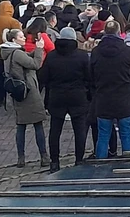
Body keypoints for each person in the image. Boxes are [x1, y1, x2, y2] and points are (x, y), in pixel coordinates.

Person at [39, 27, 91, 172]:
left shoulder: (52, 56)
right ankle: (79, 160)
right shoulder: (82, 56)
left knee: (55, 130)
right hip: (78, 96)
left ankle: (54, 162)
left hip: (57, 96)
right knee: (80, 129)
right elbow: (89, 77)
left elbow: (43, 77)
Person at [91, 20, 130, 156]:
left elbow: (91, 75)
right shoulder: (128, 52)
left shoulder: (96, 52)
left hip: (103, 98)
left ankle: (100, 167)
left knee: (103, 136)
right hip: (124, 97)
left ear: (104, 33)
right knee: (126, 134)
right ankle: (127, 164)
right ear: (119, 33)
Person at [0, 29, 48, 167]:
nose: (24, 39)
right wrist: (39, 49)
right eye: (21, 37)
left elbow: (26, 59)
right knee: (38, 124)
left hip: (18, 92)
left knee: (21, 126)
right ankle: (44, 156)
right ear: (14, 40)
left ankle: (21, 158)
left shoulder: (8, 52)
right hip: (29, 92)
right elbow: (35, 64)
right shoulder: (17, 53)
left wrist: (34, 52)